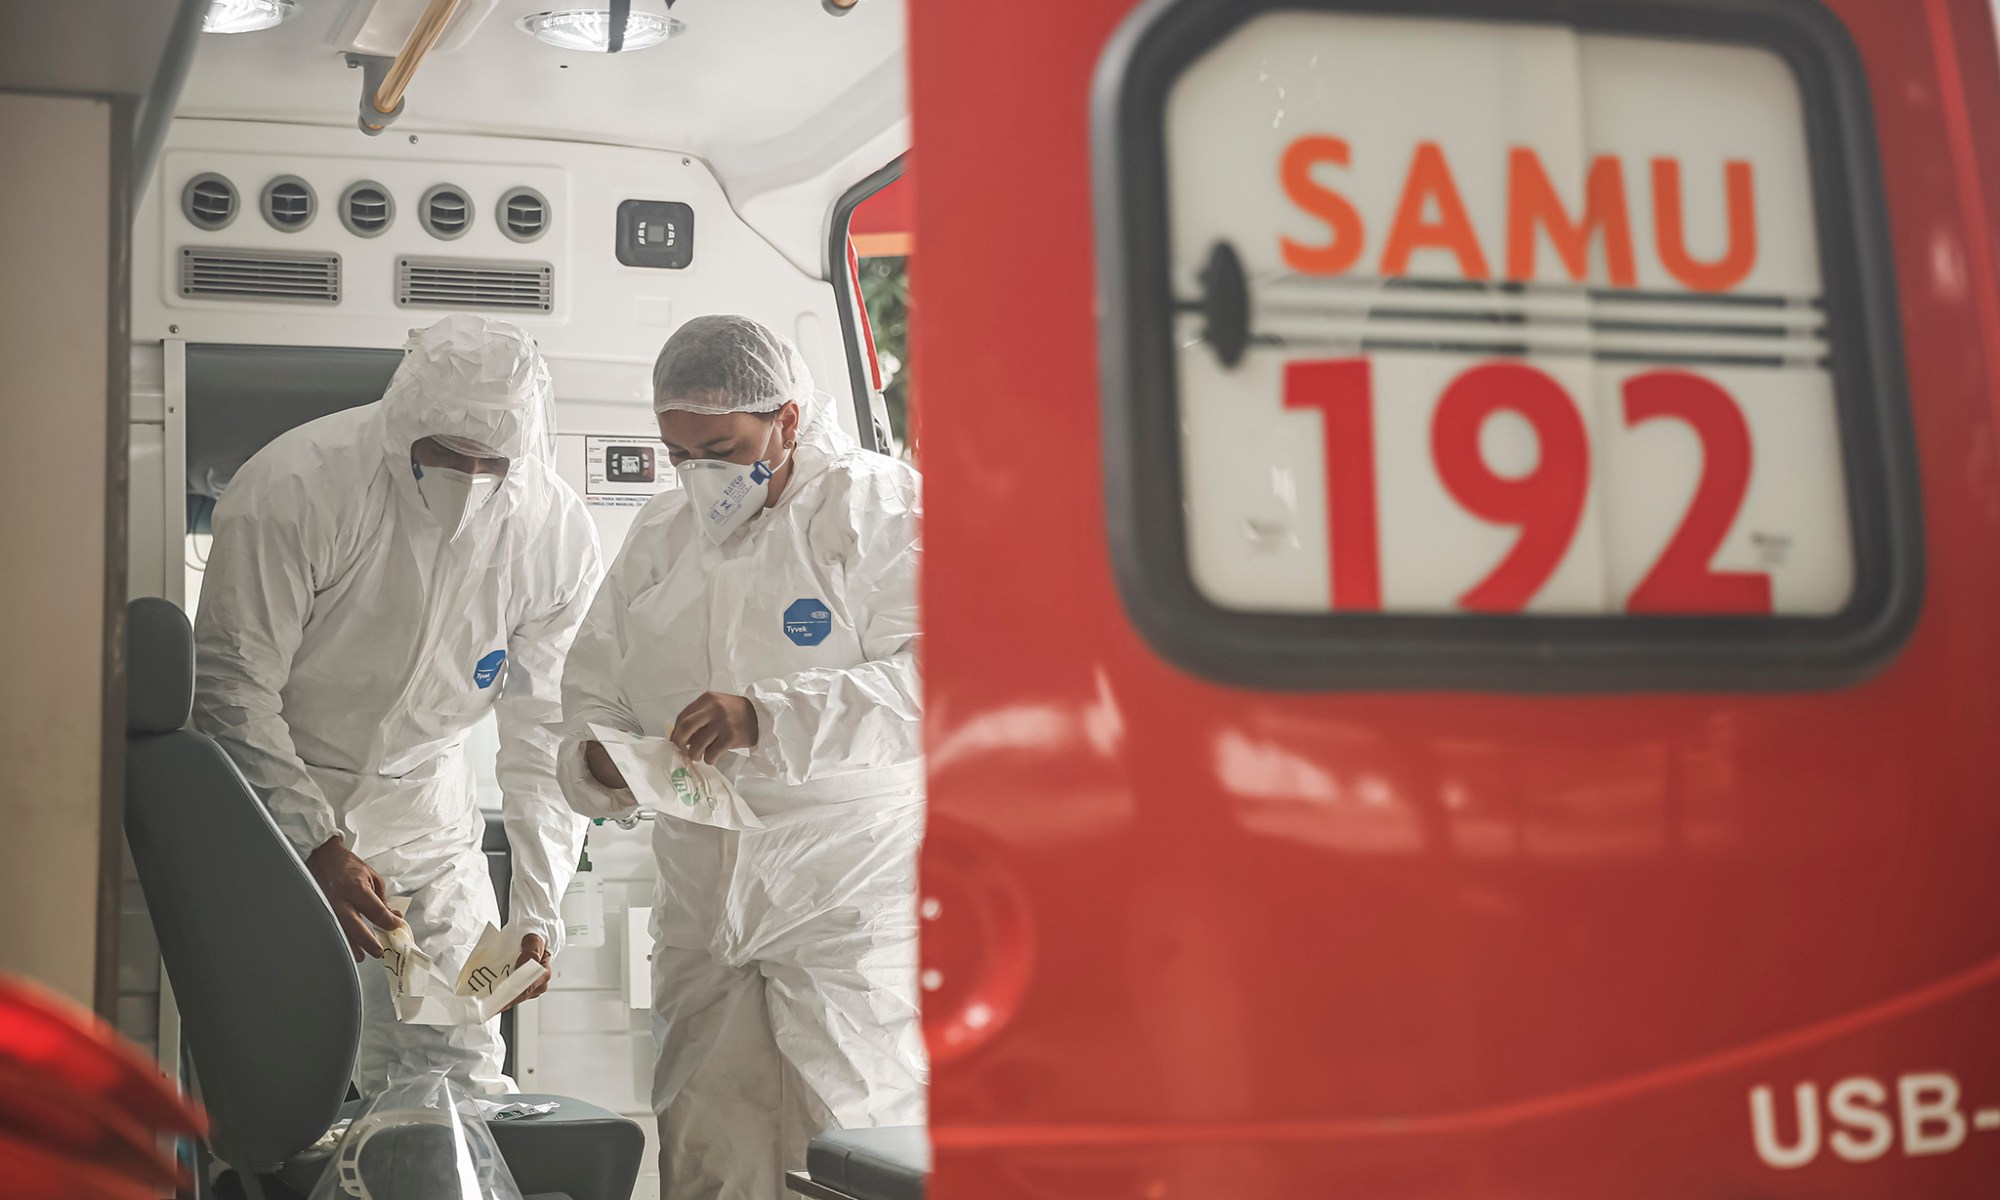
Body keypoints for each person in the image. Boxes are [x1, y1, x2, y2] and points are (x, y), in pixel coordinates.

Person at [556, 315, 926, 1199]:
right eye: (679, 454)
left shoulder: (878, 510)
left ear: (787, 418)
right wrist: (597, 763)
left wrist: (766, 716)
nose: (700, 476)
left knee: (848, 1139)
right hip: (701, 891)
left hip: (843, 891)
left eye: (720, 450)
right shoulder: (662, 535)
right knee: (706, 1145)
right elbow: (593, 686)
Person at [192, 314, 603, 1096]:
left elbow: (545, 732)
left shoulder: (554, 534)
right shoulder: (297, 485)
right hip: (278, 803)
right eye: (443, 453)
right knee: (277, 1069)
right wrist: (313, 841)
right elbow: (232, 684)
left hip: (426, 821)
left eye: (491, 463)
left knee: (456, 1059)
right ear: (401, 422)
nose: (467, 477)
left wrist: (536, 912)